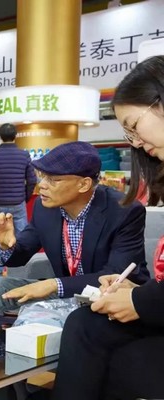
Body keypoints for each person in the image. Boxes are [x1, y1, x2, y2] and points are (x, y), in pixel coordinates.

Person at [52, 55, 164, 400]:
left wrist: (140, 299)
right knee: (85, 326)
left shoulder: (122, 211)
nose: (135, 142)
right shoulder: (44, 214)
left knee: (116, 359)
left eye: (134, 125)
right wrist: (134, 290)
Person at [0, 141, 150, 311]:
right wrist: (6, 244)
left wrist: (53, 285)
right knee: (0, 287)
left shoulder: (124, 211)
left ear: (84, 184)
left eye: (53, 180)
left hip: (110, 296)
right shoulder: (44, 208)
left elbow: (115, 276)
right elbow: (20, 255)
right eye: (42, 176)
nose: (42, 185)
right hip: (68, 292)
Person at [0, 123, 37, 276]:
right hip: (18, 203)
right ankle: (18, 271)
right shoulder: (23, 155)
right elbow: (32, 180)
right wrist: (25, 197)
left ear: (0, 136)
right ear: (15, 136)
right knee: (21, 236)